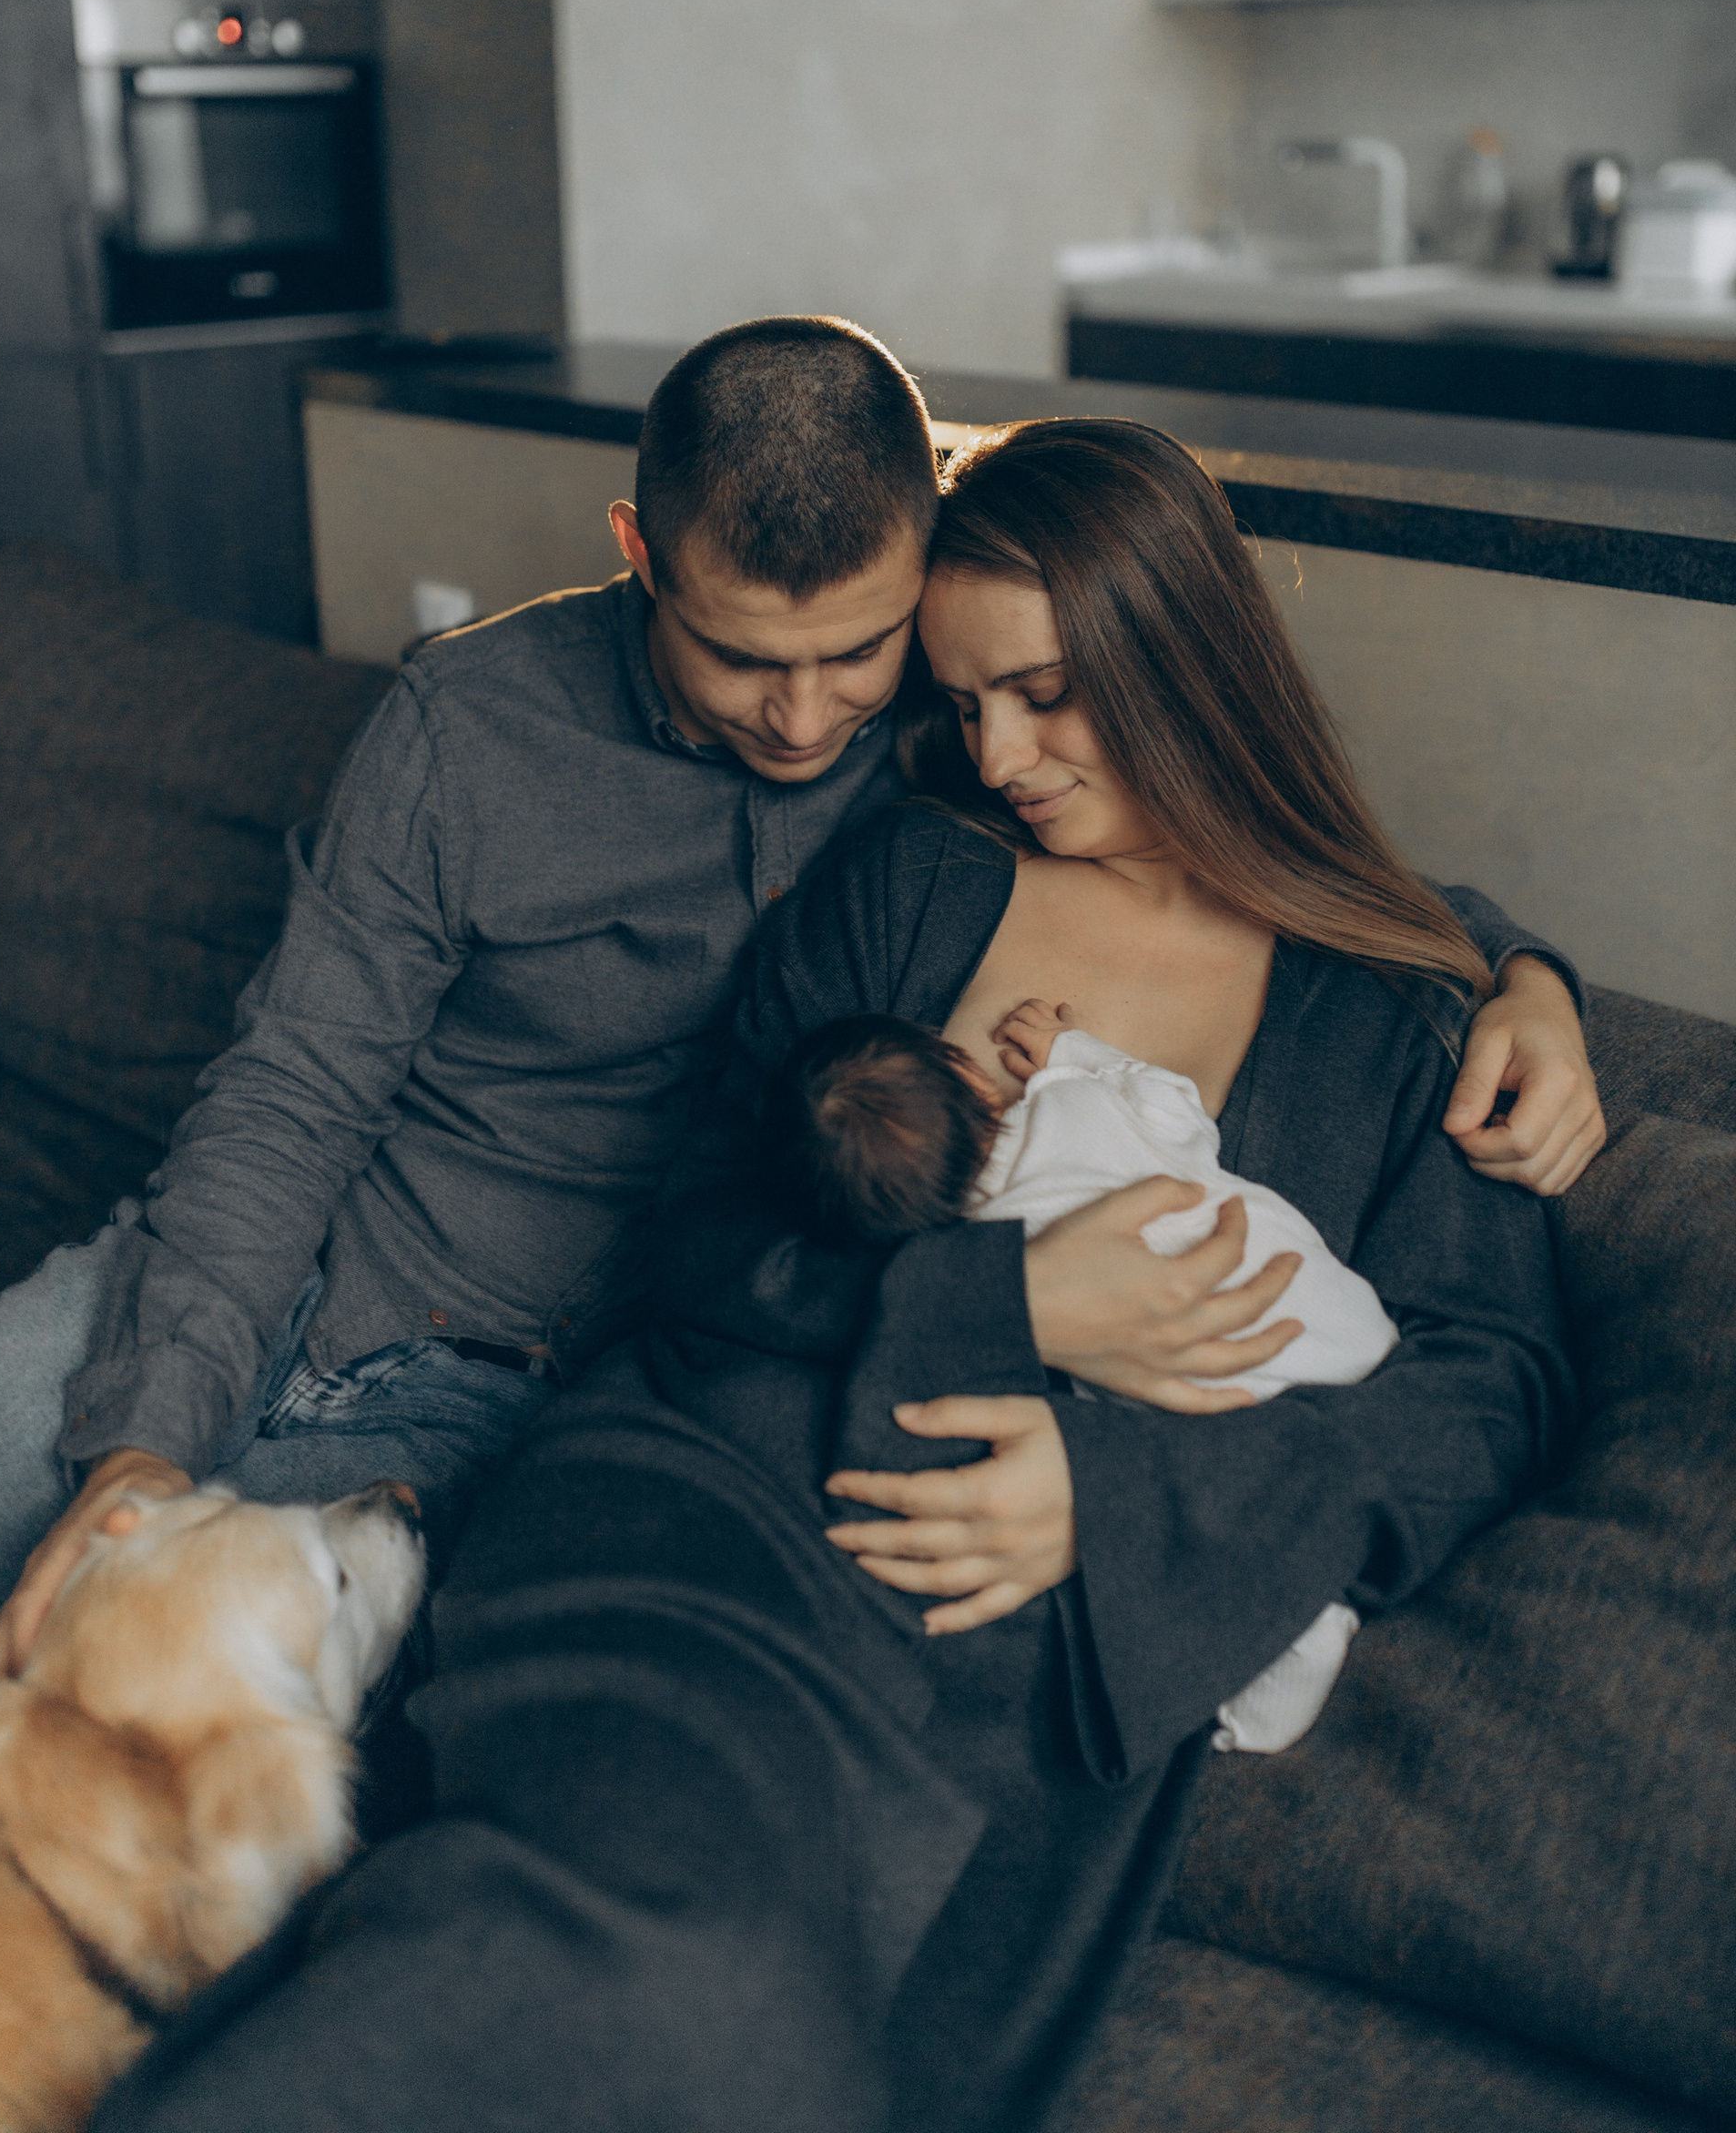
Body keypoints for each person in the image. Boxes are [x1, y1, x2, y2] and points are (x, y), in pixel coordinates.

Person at [93, 417, 1582, 2133]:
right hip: (705, 1505)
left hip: (1013, 1632)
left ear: (1188, 657)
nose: (998, 752)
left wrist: (1119, 1496)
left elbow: (1491, 1391)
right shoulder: (921, 876)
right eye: (961, 703)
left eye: (1043, 695)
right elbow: (697, 1233)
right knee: (584, 1912)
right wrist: (1002, 1307)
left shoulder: (1397, 1024)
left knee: (770, 2021)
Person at [0, 326, 1600, 1676]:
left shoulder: (953, 756)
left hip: (522, 1384)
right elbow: (291, 1096)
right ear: (639, 557)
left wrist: (1509, 967)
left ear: (921, 573)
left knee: (111, 1708)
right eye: (745, 659)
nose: (807, 719)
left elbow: (1225, 820)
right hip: (267, 1269)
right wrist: (148, 1439)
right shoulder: (467, 726)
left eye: (863, 653)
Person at [769, 994, 1396, 1751]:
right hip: (1333, 1311)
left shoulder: (989, 1252)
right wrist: (1076, 1056)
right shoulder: (1072, 1103)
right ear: (969, 1077)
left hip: (1237, 1393)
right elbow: (1178, 1108)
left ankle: (1290, 1652)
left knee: (1211, 1506)